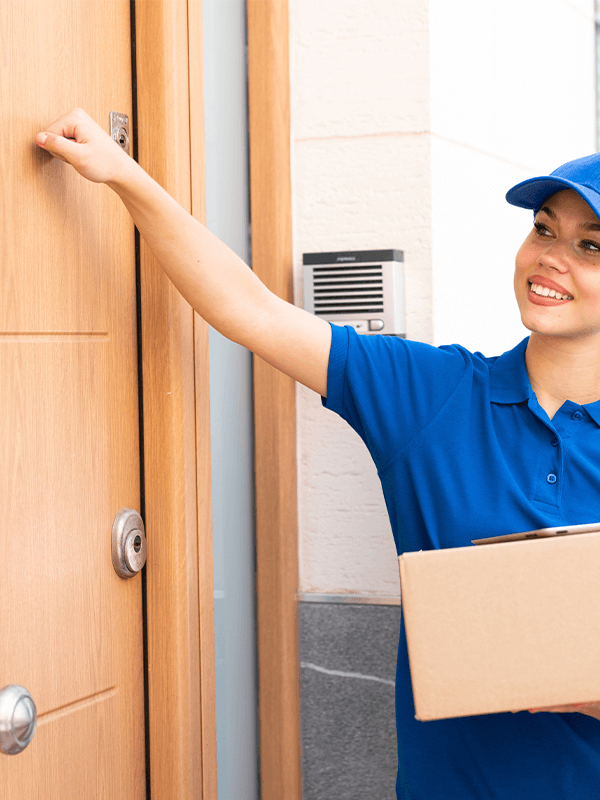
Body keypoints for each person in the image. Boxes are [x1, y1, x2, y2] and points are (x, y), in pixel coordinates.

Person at [36, 108, 600, 798]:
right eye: (543, 229)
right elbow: (251, 309)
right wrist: (125, 177)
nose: (550, 257)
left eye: (590, 247)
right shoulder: (435, 395)